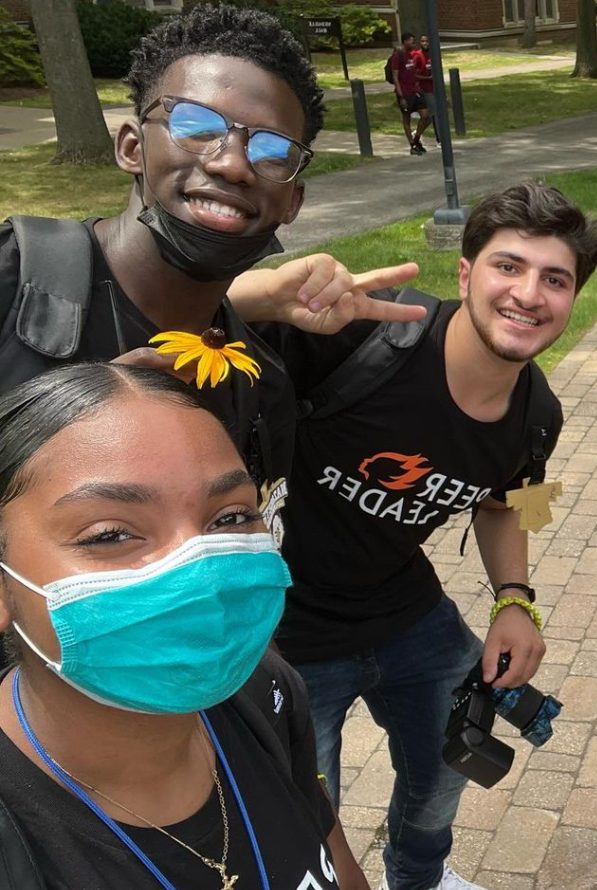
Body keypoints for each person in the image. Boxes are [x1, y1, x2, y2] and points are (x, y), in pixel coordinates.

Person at [262, 182, 597, 890]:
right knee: (297, 804)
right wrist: (261, 294)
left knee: (449, 758)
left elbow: (515, 501)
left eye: (555, 279)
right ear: (464, 273)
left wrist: (517, 598)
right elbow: (201, 336)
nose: (528, 294)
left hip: (407, 613)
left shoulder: (538, 412)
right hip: (283, 632)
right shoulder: (361, 339)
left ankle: (414, 884)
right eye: (507, 267)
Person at [0, 4, 418, 542]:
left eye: (272, 151)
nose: (232, 163)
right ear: (131, 146)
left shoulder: (257, 386)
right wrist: (66, 427)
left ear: (292, 201)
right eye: (196, 126)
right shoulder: (14, 284)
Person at [0, 362, 372, 890]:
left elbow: (305, 788)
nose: (201, 571)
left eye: (230, 517)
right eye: (110, 533)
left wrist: (335, 852)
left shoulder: (261, 689)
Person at [389, 32, 432, 156]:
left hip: (415, 91)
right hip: (405, 92)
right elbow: (396, 77)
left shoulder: (409, 55)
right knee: (406, 120)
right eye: (412, 42)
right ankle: (412, 145)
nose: (414, 44)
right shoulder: (398, 56)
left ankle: (416, 139)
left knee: (426, 116)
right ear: (405, 41)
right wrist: (401, 96)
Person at [412, 35, 439, 143]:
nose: (425, 43)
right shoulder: (418, 56)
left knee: (428, 117)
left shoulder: (434, 54)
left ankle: (417, 133)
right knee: (435, 113)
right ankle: (440, 140)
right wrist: (427, 78)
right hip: (424, 89)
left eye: (427, 41)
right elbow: (413, 74)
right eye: (422, 41)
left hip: (434, 88)